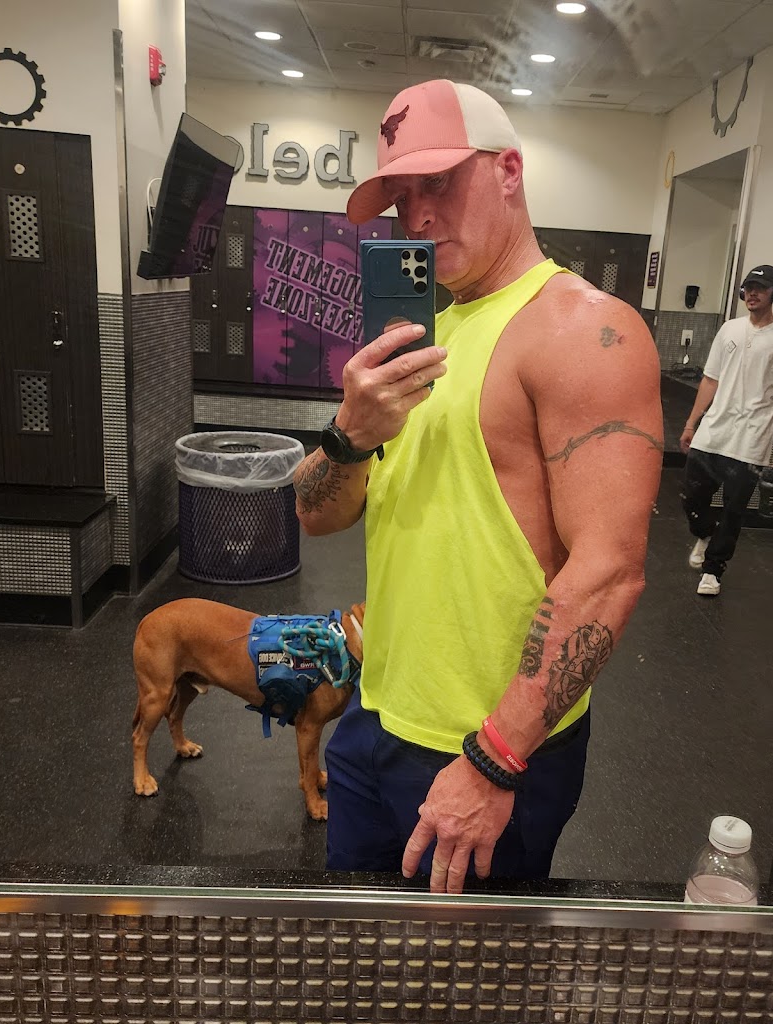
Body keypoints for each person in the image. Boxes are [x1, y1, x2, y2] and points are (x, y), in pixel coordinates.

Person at [293, 79, 662, 894]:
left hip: (484, 751)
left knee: (463, 970)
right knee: (359, 953)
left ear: (509, 170)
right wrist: (351, 431)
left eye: (438, 183)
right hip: (373, 717)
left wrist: (494, 759)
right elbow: (316, 515)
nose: (416, 217)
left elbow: (609, 572)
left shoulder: (582, 331)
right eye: (401, 196)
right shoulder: (419, 336)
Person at [679, 265, 773, 596]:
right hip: (713, 430)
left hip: (752, 437)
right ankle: (704, 533)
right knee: (691, 497)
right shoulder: (730, 329)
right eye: (749, 287)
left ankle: (713, 571)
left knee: (733, 509)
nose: (752, 293)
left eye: (761, 288)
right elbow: (710, 379)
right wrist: (692, 423)